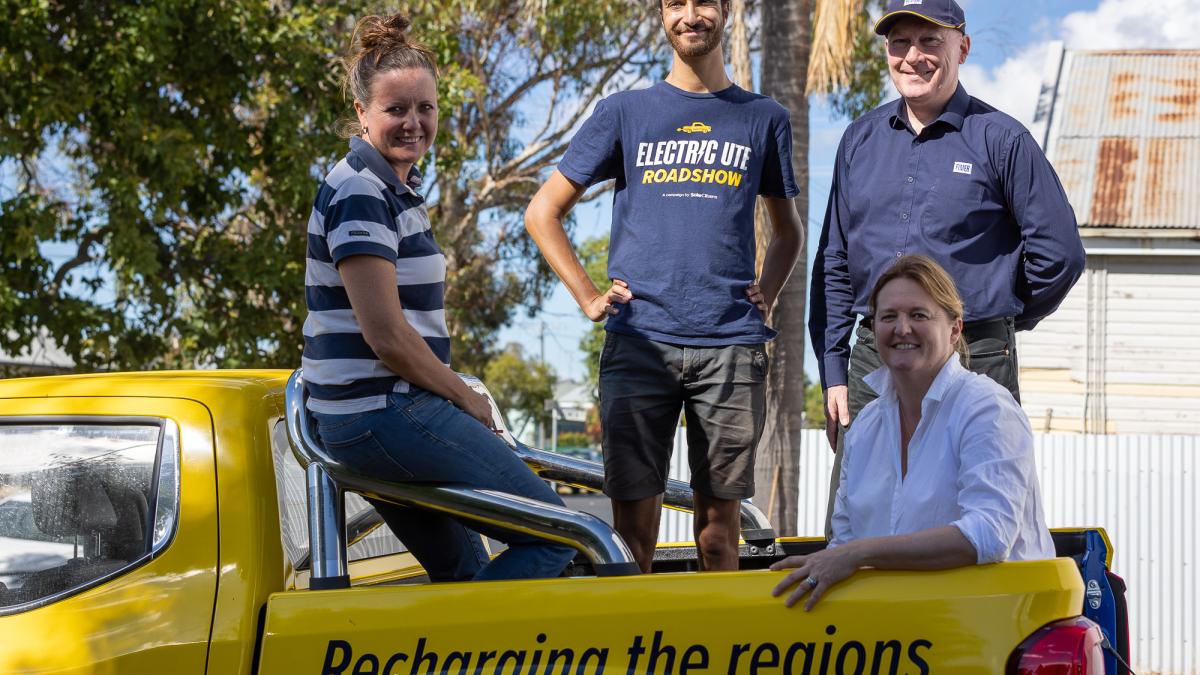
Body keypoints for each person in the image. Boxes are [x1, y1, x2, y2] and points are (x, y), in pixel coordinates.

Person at [525, 0, 803, 573]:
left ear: (727, 10)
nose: (691, 15)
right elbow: (542, 212)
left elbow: (788, 233)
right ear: (661, 13)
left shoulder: (763, 117)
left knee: (718, 539)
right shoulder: (625, 112)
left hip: (729, 347)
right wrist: (587, 297)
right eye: (676, 3)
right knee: (632, 539)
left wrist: (766, 295)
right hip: (639, 344)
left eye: (704, 2)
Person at [302, 13, 574, 582]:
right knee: (562, 537)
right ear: (361, 114)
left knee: (464, 570)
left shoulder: (395, 187)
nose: (413, 122)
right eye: (395, 109)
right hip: (382, 411)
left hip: (379, 412)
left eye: (424, 108)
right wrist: (465, 399)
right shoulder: (360, 191)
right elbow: (388, 336)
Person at [809, 0, 1085, 532]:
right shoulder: (858, 142)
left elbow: (1060, 254)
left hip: (976, 349)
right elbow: (836, 260)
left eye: (929, 41)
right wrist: (834, 370)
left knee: (981, 519)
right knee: (859, 516)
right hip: (876, 355)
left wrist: (1000, 314)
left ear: (962, 47)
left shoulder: (1001, 139)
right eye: (899, 42)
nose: (913, 56)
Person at [773, 255, 1055, 609]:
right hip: (897, 633)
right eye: (888, 317)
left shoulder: (987, 408)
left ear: (955, 330)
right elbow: (841, 545)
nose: (902, 328)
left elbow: (989, 534)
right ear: (874, 330)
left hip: (999, 626)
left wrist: (858, 553)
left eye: (919, 315)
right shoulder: (864, 428)